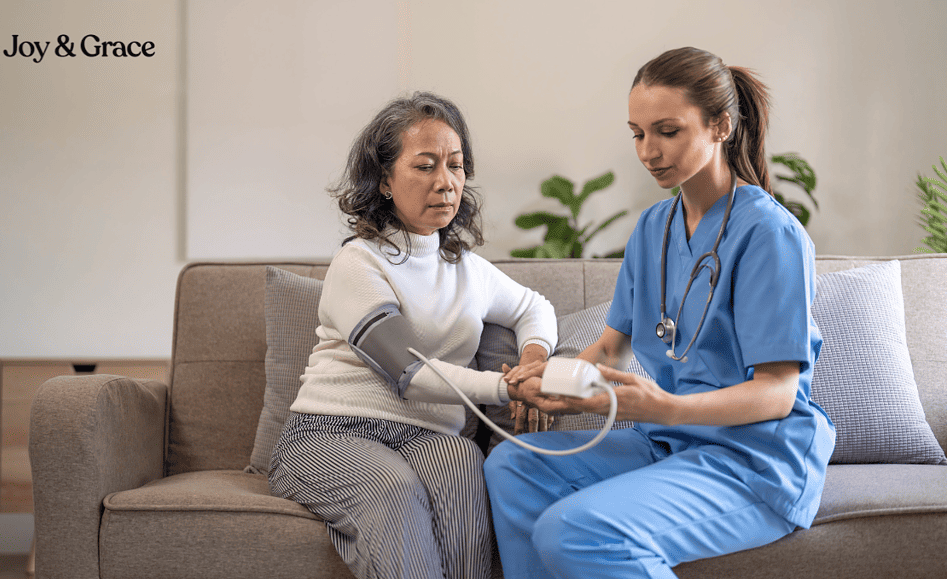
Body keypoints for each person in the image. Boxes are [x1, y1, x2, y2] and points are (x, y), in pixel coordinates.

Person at [484, 47, 837, 579]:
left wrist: (665, 408)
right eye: (637, 133)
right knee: (513, 465)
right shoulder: (654, 228)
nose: (648, 151)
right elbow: (609, 349)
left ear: (720, 125)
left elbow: (777, 391)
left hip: (754, 459)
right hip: (670, 442)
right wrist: (556, 383)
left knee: (577, 528)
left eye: (667, 131)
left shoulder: (770, 235)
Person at [268, 91, 558, 579]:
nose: (446, 183)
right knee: (392, 489)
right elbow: (409, 370)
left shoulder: (469, 270)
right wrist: (506, 387)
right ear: (384, 180)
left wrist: (534, 360)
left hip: (426, 435)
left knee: (465, 466)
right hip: (328, 433)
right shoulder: (358, 263)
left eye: (457, 166)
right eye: (426, 166)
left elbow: (535, 307)